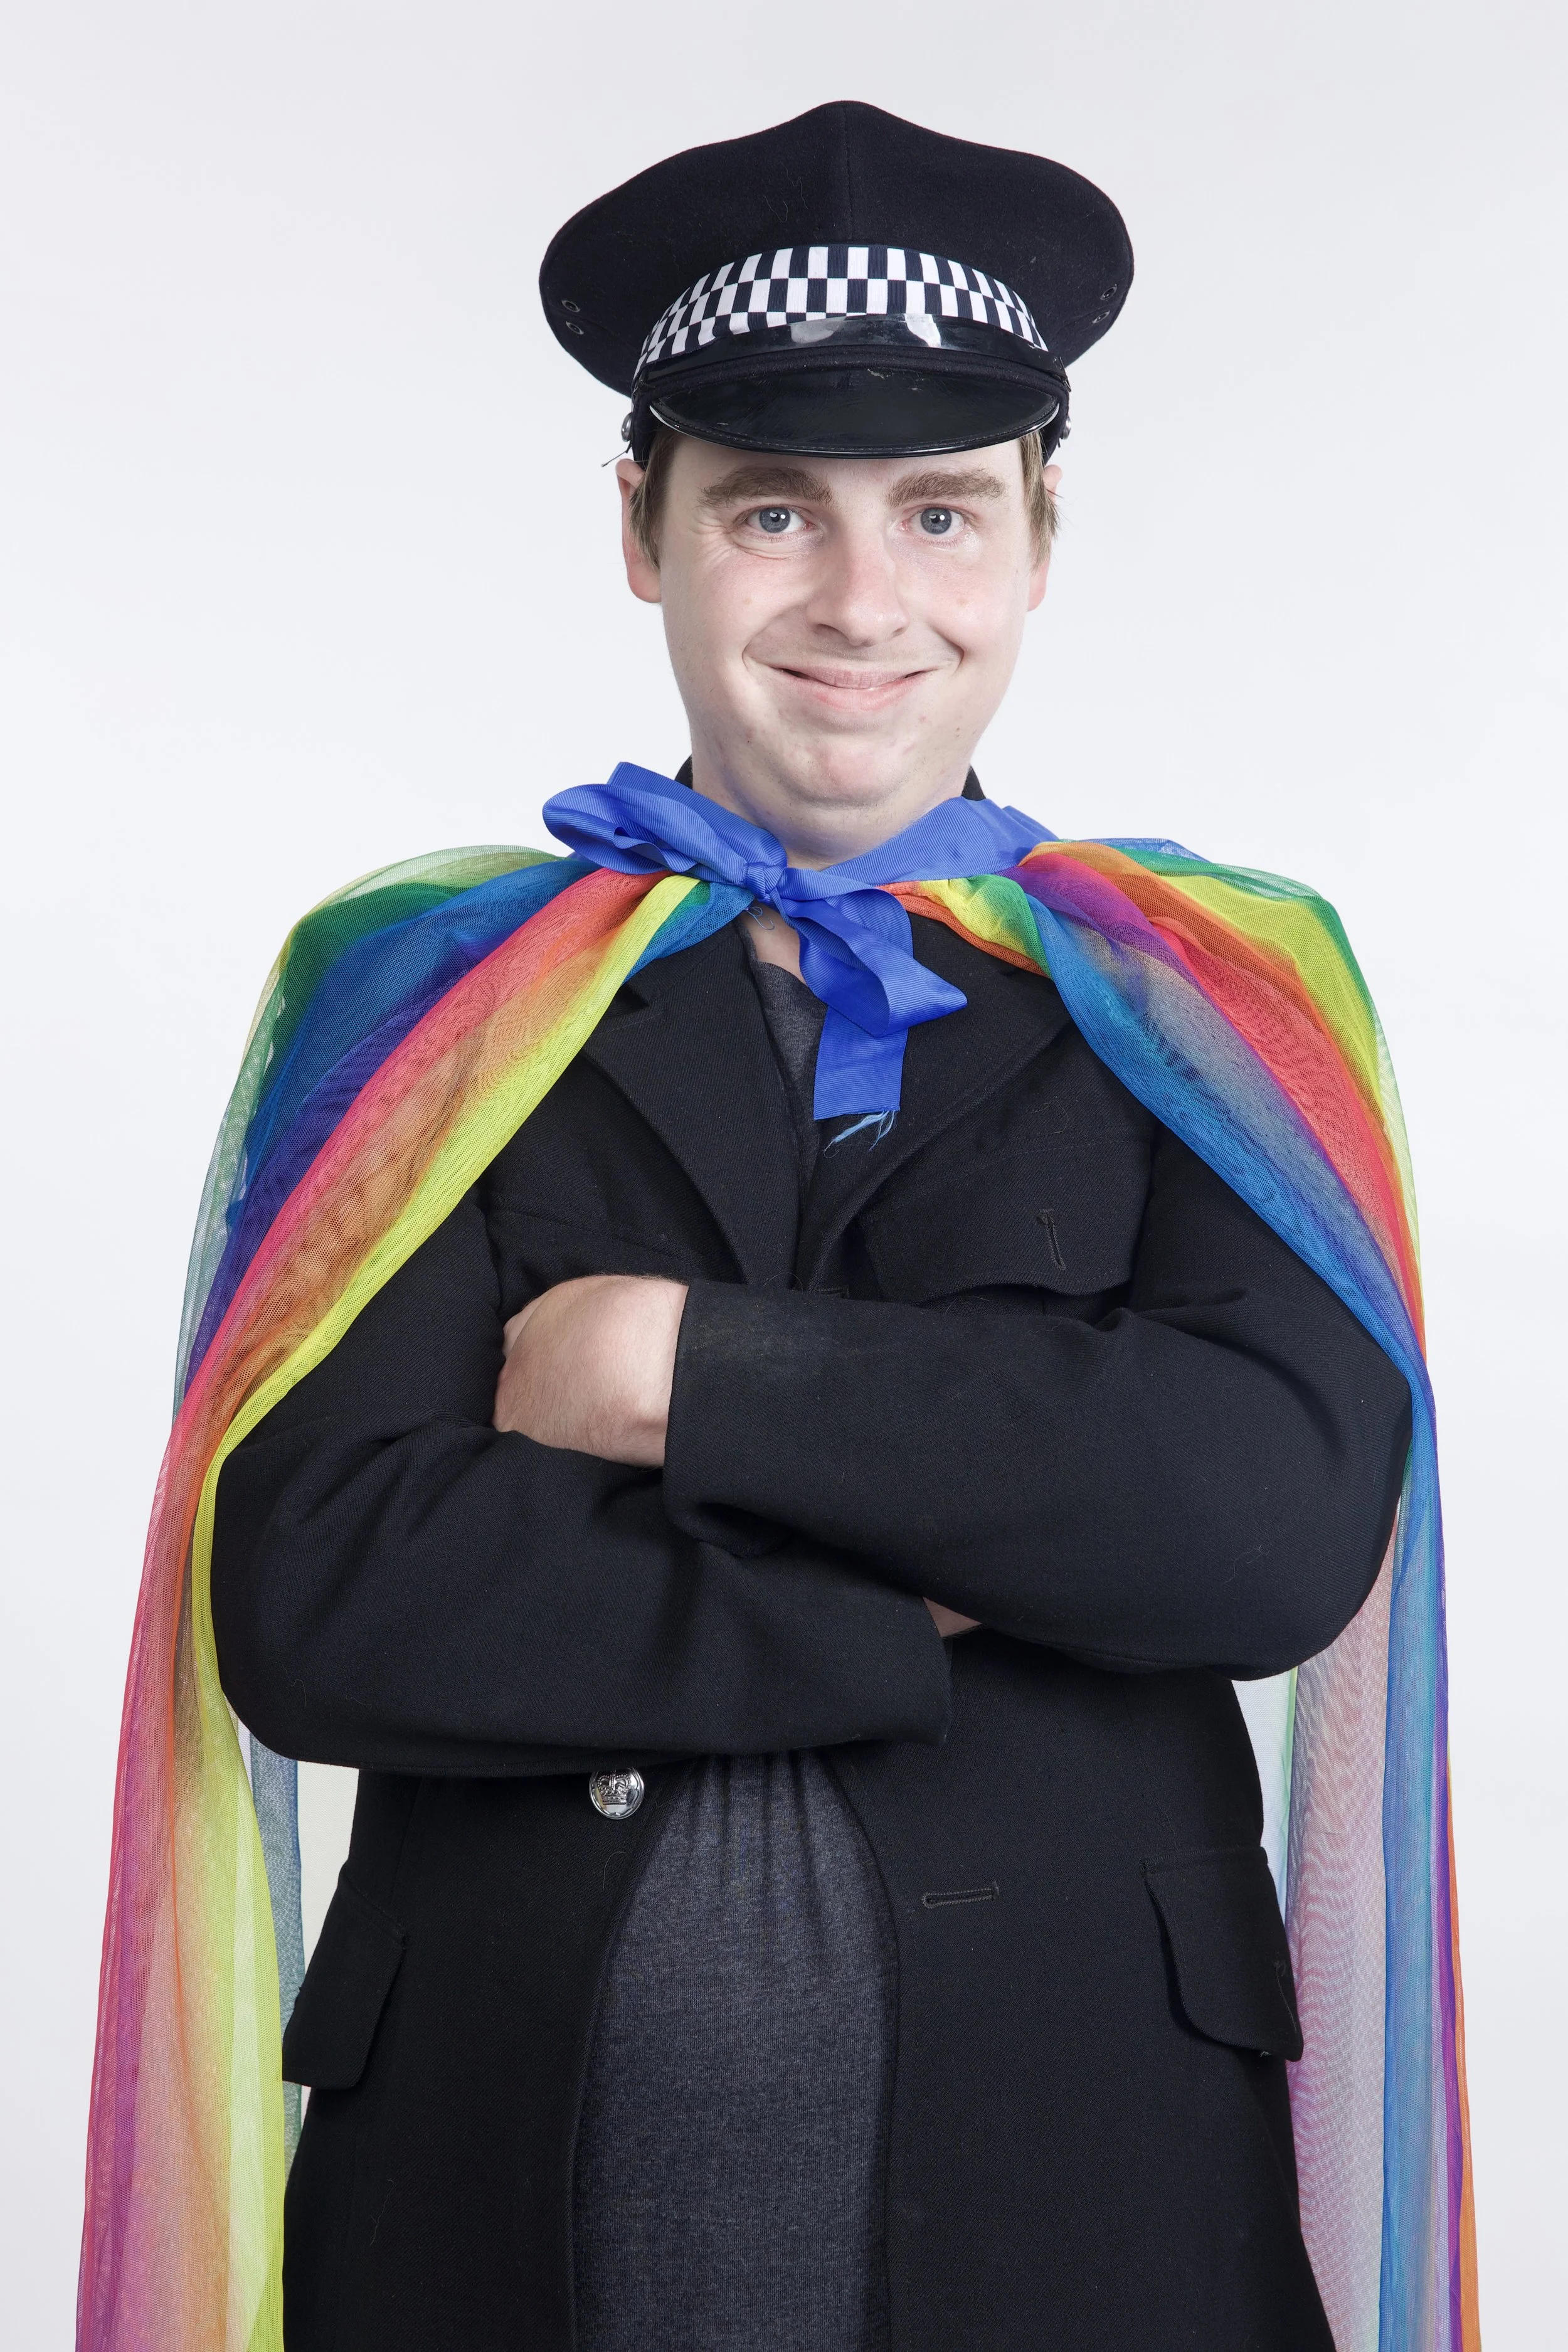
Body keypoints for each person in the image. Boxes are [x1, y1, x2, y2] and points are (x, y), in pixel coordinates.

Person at [80, 100, 1478, 2352]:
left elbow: (1259, 1524)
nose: (860, 601)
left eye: (939, 512)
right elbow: (325, 1595)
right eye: (765, 512)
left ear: (1037, 539)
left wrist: (672, 1374)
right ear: (639, 532)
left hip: (1093, 2185)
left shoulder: (1216, 1000)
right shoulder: (416, 997)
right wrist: (939, 1577)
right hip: (486, 2190)